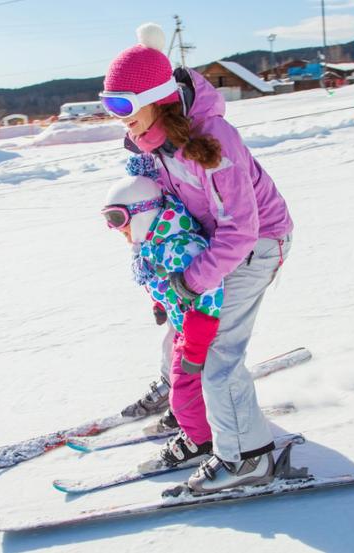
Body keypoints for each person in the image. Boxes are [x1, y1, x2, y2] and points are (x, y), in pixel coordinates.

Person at [100, 23, 294, 494]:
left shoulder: (213, 139)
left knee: (217, 357)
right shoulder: (153, 144)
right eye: (112, 107)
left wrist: (194, 281)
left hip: (256, 243)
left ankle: (248, 459)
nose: (120, 119)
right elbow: (172, 214)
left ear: (158, 97)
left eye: (125, 107)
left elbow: (241, 229)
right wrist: (168, 283)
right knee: (184, 331)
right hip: (215, 242)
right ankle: (198, 420)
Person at [101, 155, 224, 468]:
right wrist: (160, 304)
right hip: (187, 328)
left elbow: (210, 295)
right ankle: (190, 414)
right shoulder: (157, 243)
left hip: (201, 333)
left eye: (119, 220)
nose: (117, 230)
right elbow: (164, 283)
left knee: (185, 387)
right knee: (175, 370)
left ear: (143, 212)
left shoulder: (180, 247)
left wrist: (196, 344)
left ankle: (200, 441)